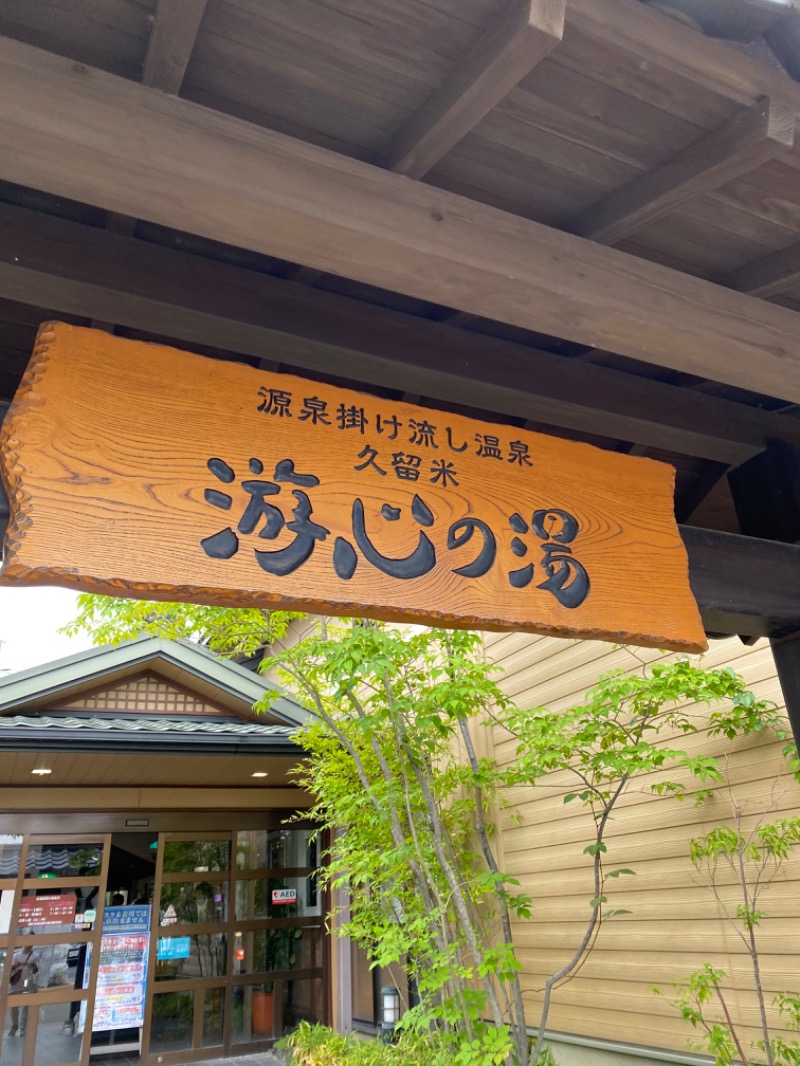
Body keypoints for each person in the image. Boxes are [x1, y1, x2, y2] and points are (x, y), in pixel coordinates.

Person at [8, 943, 38, 1036]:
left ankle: (22, 1027)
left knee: (25, 1006)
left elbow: (36, 970)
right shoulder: (16, 955)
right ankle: (15, 1025)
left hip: (27, 981)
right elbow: (9, 969)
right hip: (16, 982)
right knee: (14, 1006)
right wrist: (18, 965)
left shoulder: (35, 956)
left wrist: (33, 966)